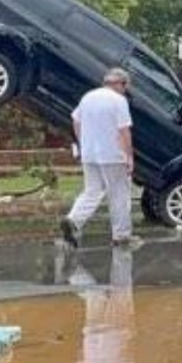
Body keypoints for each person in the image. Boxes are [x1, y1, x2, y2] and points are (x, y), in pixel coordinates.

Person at [61, 68, 136, 248]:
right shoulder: (118, 101)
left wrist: (82, 142)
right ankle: (121, 236)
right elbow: (124, 130)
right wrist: (129, 155)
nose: (125, 90)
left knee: (92, 190)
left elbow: (75, 120)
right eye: (125, 87)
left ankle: (73, 220)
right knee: (119, 194)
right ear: (120, 84)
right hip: (113, 154)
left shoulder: (88, 97)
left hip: (89, 154)